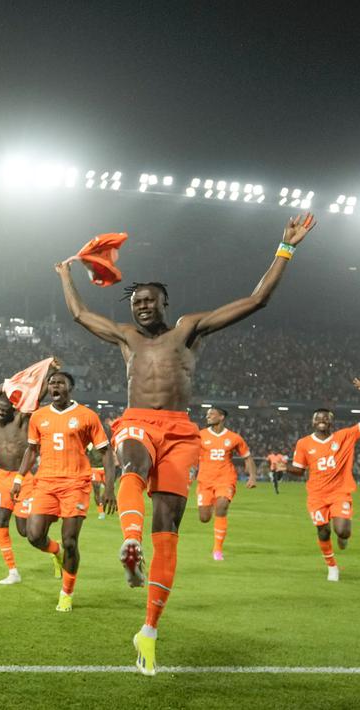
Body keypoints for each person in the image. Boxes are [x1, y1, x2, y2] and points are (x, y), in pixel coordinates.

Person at [60, 212, 315, 675]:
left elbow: (257, 300)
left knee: (169, 528)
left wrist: (286, 248)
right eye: (136, 301)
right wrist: (65, 274)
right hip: (138, 420)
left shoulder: (188, 329)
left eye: (149, 301)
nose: (141, 307)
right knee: (132, 464)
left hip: (179, 431)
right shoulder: (126, 337)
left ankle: (149, 632)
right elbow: (79, 314)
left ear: (164, 303)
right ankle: (130, 546)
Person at [16, 372, 113, 611]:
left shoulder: (87, 416)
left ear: (70, 386)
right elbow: (31, 450)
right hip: (46, 483)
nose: (54, 386)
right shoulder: (39, 417)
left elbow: (106, 452)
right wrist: (19, 477)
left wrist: (110, 487)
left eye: (59, 382)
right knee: (34, 535)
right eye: (51, 383)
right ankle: (55, 551)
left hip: (75, 483)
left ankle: (66, 593)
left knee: (71, 541)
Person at [288, 386, 359, 582]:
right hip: (317, 495)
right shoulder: (303, 444)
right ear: (312, 422)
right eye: (317, 418)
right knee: (323, 530)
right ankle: (332, 567)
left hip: (340, 492)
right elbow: (299, 470)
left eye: (325, 417)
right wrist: (282, 468)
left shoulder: (345, 436)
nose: (321, 420)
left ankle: (343, 538)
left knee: (342, 530)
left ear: (331, 421)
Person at [0, 388, 38, 585]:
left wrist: (49, 371)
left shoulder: (21, 420)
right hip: (1, 476)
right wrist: (9, 384)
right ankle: (13, 571)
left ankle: (55, 551)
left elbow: (35, 397)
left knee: (25, 532)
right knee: (1, 520)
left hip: (22, 477)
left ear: (12, 410)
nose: (0, 412)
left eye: (3, 410)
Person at [196, 407, 256, 561]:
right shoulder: (200, 435)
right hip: (205, 481)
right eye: (207, 414)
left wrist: (252, 477)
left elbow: (247, 457)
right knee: (204, 518)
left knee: (222, 507)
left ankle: (217, 550)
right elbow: (189, 455)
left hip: (225, 479)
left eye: (212, 414)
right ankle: (210, 508)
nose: (208, 416)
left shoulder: (234, 438)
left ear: (221, 417)